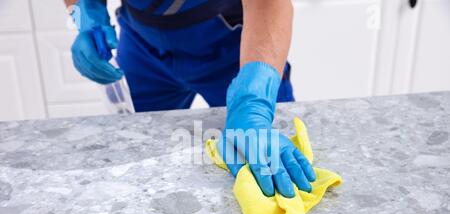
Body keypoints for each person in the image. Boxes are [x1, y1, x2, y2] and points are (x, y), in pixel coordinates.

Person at [66, 0, 316, 198]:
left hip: (235, 48)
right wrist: (85, 17)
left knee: (272, 167)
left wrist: (254, 101)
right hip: (142, 45)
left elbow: (268, 3)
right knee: (135, 164)